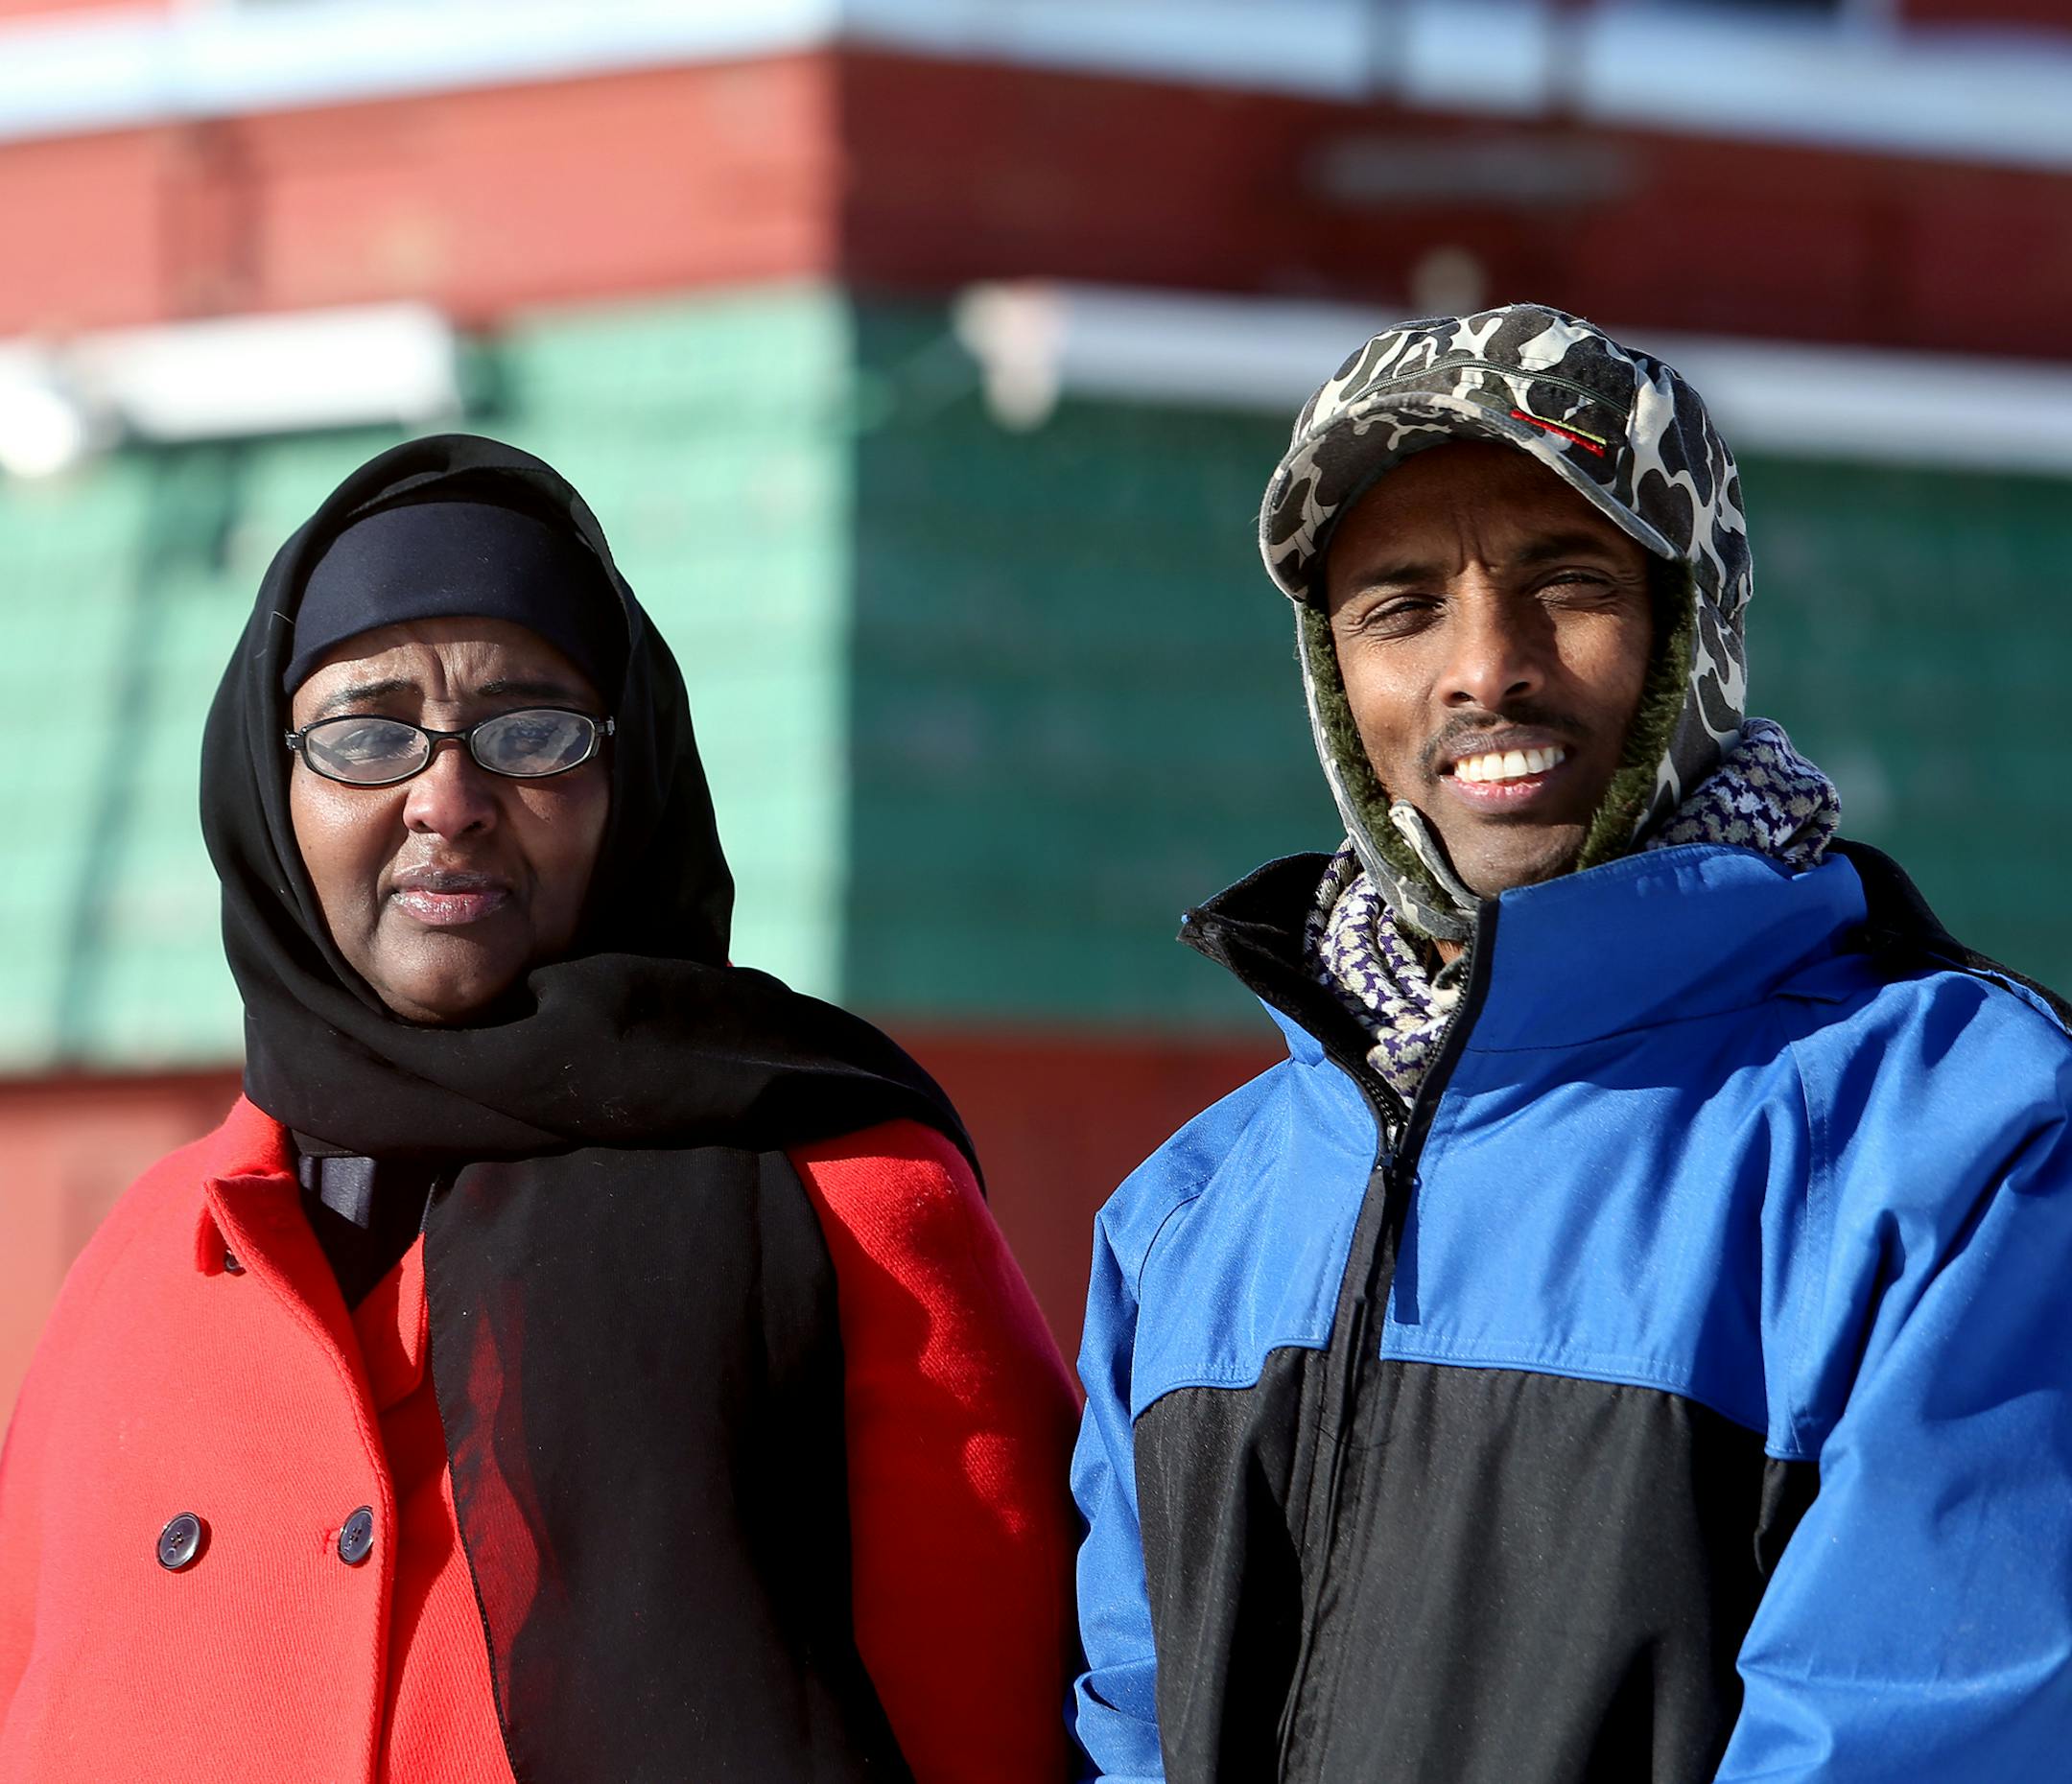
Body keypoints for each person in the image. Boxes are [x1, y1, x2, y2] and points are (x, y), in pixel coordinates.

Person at [1069, 304, 2072, 1782]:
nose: (1489, 668)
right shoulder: (1185, 1224)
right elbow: (1126, 1730)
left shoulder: (1962, 1138)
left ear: (1694, 626)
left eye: (1570, 582)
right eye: (1400, 608)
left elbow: (1922, 1727)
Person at [0, 434, 1079, 1782]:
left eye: (530, 730)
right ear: (267, 789)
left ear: (630, 779)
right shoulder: (155, 1253)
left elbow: (988, 1729)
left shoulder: (845, 1201)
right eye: (366, 733)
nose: (446, 801)